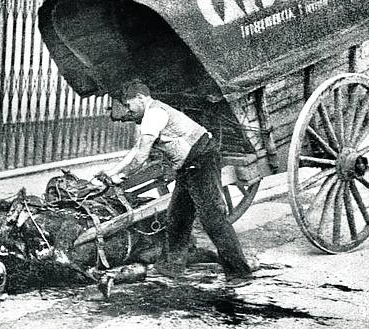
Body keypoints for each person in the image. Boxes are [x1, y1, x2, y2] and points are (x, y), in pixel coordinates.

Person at [95, 80, 254, 287]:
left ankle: (240, 273)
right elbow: (136, 151)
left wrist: (120, 177)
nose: (127, 110)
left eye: (129, 104)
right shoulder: (148, 116)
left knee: (213, 220)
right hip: (187, 167)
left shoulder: (155, 114)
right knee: (177, 218)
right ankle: (171, 266)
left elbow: (141, 156)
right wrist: (110, 172)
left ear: (141, 98)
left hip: (202, 161)